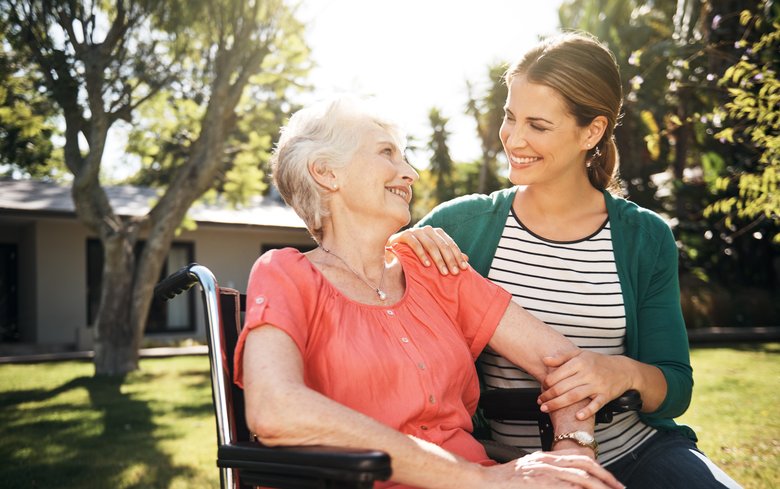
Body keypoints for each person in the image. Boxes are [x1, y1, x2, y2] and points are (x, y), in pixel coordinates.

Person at [396, 32, 741, 488]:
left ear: (592, 131)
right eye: (510, 117)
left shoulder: (644, 236)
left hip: (637, 453)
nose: (514, 138)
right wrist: (402, 246)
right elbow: (378, 300)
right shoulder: (461, 226)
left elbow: (675, 387)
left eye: (538, 126)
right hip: (502, 465)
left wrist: (620, 372)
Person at [233, 97, 625, 489]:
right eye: (387, 153)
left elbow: (561, 362)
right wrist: (480, 479)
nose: (410, 174)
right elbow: (275, 409)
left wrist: (573, 451)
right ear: (326, 172)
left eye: (405, 158)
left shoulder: (433, 268)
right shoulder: (286, 273)